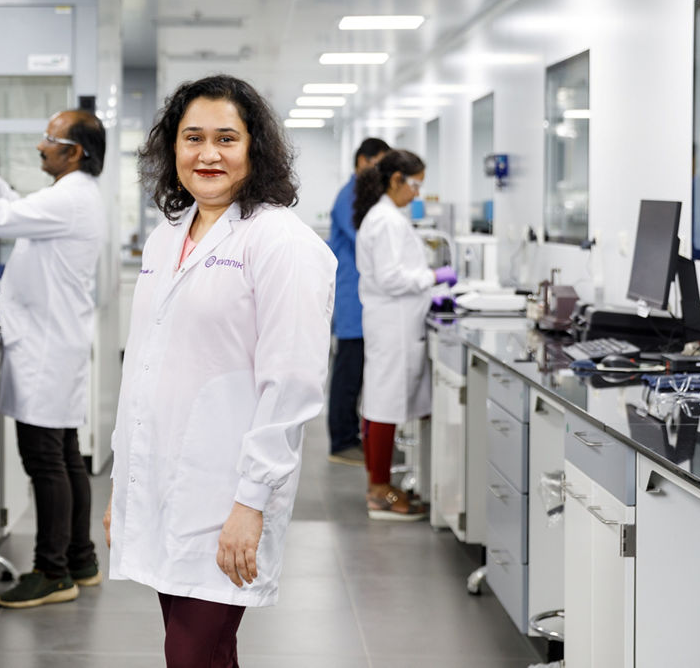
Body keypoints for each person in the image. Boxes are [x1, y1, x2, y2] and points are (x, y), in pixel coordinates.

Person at [107, 74, 336, 667]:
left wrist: (251, 503)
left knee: (190, 654)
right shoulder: (167, 238)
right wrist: (122, 487)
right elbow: (145, 369)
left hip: (227, 491)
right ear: (171, 148)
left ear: (255, 148)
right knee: (204, 655)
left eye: (226, 138)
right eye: (192, 138)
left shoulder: (282, 243)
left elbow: (291, 384)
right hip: (161, 481)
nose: (207, 154)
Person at [0, 110, 106, 608]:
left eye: (49, 140)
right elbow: (16, 207)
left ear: (74, 152)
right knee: (65, 454)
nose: (39, 146)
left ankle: (52, 572)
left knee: (46, 461)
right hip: (55, 343)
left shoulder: (71, 199)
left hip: (47, 348)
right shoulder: (71, 197)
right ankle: (81, 559)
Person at [353, 149, 456, 521]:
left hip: (393, 323)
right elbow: (391, 277)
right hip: (393, 324)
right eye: (414, 185)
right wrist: (434, 276)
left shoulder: (384, 217)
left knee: (382, 403)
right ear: (396, 179)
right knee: (384, 407)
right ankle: (379, 493)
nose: (416, 194)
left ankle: (380, 486)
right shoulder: (386, 221)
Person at [326, 137, 390, 465]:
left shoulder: (363, 197)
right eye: (378, 164)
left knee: (357, 371)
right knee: (348, 372)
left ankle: (351, 434)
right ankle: (341, 440)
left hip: (363, 297)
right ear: (362, 162)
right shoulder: (350, 196)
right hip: (353, 297)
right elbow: (366, 238)